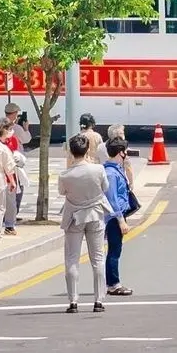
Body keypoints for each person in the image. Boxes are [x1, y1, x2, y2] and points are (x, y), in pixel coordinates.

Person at [58, 133, 112, 314]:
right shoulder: (98, 170)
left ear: (71, 152)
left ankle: (73, 301)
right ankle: (99, 300)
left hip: (74, 216)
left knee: (72, 258)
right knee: (97, 258)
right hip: (95, 214)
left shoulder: (66, 174)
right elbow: (105, 188)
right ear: (87, 149)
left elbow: (62, 192)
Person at [102, 138, 133, 297]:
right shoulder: (111, 173)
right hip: (114, 218)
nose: (127, 155)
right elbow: (112, 198)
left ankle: (112, 283)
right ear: (120, 152)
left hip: (117, 215)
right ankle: (113, 284)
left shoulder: (115, 169)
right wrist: (121, 220)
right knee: (114, 251)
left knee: (115, 250)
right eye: (125, 151)